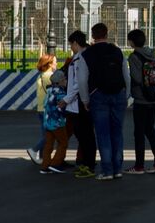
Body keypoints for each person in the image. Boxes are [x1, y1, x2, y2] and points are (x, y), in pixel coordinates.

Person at [77, 22, 130, 181]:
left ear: (93, 36)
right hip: (118, 94)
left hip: (98, 95)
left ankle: (107, 171)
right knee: (117, 132)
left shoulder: (86, 54)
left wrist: (85, 99)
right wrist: (126, 95)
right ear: (107, 34)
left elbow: (82, 80)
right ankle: (118, 169)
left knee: (103, 133)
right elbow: (126, 75)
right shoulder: (117, 51)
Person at [126, 29, 155, 174]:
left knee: (139, 133)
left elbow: (136, 78)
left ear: (131, 42)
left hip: (141, 99)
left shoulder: (134, 57)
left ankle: (139, 166)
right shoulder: (152, 54)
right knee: (150, 130)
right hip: (154, 98)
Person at [62, 30, 96, 178]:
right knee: (83, 134)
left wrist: (66, 99)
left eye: (71, 44)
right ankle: (86, 163)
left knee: (85, 134)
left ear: (76, 43)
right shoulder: (83, 56)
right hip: (81, 101)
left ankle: (89, 164)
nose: (71, 47)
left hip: (81, 102)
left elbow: (78, 83)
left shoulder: (80, 58)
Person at [40, 65, 71, 174]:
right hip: (57, 123)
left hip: (47, 121)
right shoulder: (61, 93)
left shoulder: (49, 91)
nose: (66, 81)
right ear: (60, 81)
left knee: (48, 144)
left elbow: (45, 104)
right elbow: (62, 108)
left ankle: (45, 166)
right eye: (65, 79)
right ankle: (56, 164)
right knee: (63, 143)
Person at [29, 54, 53, 166]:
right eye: (55, 62)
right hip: (47, 109)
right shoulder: (49, 76)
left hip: (40, 108)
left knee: (46, 134)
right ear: (49, 64)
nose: (56, 64)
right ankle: (34, 150)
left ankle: (43, 158)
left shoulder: (40, 75)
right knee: (49, 135)